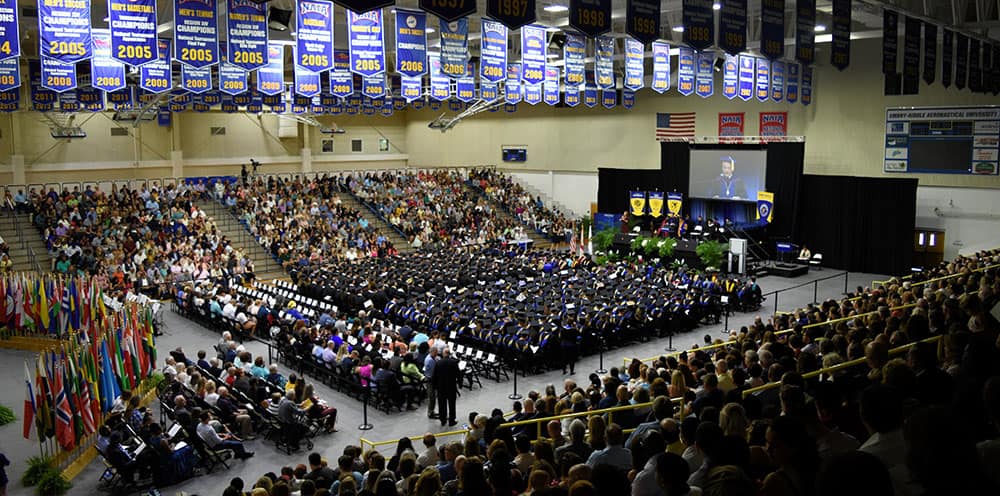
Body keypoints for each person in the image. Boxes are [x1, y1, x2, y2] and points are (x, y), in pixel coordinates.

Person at [434, 348, 461, 427]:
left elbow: (435, 375)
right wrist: (460, 383)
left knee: (442, 403)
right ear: (449, 354)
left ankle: (443, 420)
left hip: (441, 387)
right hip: (451, 386)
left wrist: (435, 386)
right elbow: (458, 374)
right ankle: (451, 420)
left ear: (443, 354)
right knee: (452, 404)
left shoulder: (438, 363)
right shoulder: (453, 362)